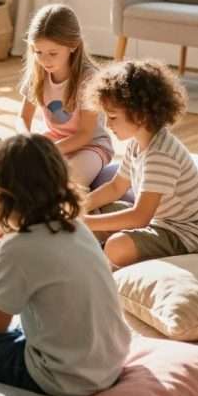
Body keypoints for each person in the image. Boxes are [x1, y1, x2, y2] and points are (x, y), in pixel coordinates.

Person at [0, 134, 131, 396]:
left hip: (61, 379)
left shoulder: (18, 247)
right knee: (24, 319)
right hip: (110, 363)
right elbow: (54, 274)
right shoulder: (77, 227)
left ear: (2, 196)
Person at [82, 59, 198, 268]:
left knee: (117, 246)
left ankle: (106, 255)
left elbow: (140, 217)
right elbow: (116, 187)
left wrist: (85, 222)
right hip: (158, 221)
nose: (107, 125)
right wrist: (79, 208)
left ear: (141, 115)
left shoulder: (161, 156)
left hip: (182, 233)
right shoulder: (138, 143)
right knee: (96, 208)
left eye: (113, 117)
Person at [18, 3, 113, 188]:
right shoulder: (38, 72)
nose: (45, 60)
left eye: (53, 53)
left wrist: (49, 151)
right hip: (53, 143)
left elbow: (85, 134)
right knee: (15, 175)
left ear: (73, 46)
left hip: (90, 146)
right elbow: (23, 117)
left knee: (68, 184)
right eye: (39, 52)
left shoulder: (88, 78)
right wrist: (26, 143)